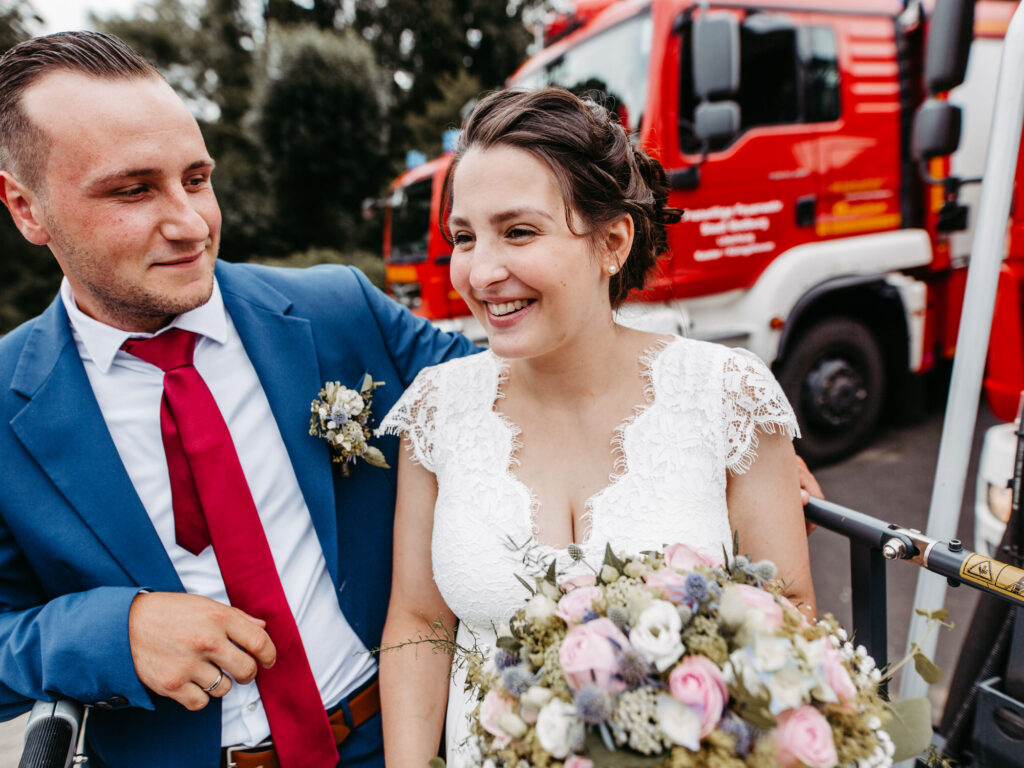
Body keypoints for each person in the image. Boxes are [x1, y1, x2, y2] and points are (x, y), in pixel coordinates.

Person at [0, 31, 477, 768]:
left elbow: (526, 391)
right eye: (133, 189)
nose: (192, 224)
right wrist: (111, 632)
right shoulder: (6, 406)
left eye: (197, 178)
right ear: (27, 210)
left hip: (400, 741)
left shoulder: (339, 311)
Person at [377, 87, 816, 768]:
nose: (481, 271)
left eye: (518, 231)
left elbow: (785, 611)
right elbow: (419, 623)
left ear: (612, 242)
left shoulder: (728, 393)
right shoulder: (437, 410)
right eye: (465, 237)